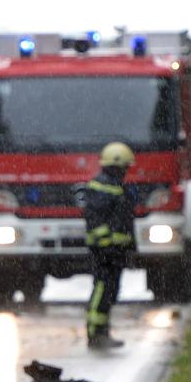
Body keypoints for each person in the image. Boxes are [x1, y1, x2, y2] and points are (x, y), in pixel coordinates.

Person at [83, 142, 136, 349]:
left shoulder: (115, 187)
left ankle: (103, 332)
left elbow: (122, 222)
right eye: (125, 167)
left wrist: (127, 247)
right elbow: (97, 220)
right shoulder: (103, 188)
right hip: (105, 251)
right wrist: (106, 245)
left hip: (115, 251)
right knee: (102, 289)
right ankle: (95, 333)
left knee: (110, 291)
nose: (126, 171)